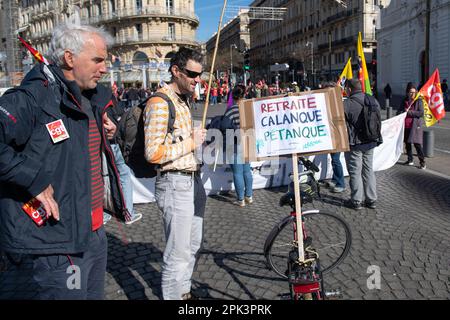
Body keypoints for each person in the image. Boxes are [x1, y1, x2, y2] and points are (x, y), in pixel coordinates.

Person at [0, 24, 129, 299]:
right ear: (70, 59)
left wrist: (111, 130)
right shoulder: (34, 97)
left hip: (94, 232)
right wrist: (32, 179)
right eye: (98, 60)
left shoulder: (91, 99)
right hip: (58, 242)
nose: (105, 68)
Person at [144, 47, 207, 300]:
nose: (197, 80)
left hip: (192, 180)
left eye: (200, 75)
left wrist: (196, 142)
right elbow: (153, 153)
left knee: (192, 246)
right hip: (174, 182)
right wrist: (191, 143)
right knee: (177, 252)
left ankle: (184, 293)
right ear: (176, 71)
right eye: (192, 74)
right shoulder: (160, 102)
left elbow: (177, 141)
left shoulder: (183, 100)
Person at [343, 79, 381, 210]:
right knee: (368, 169)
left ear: (349, 89)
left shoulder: (347, 103)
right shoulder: (372, 100)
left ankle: (356, 201)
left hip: (355, 143)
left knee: (355, 171)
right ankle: (371, 200)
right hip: (371, 141)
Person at [104, 99, 143, 225]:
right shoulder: (104, 96)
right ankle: (128, 214)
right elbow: (120, 114)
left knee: (101, 176)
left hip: (100, 143)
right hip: (113, 143)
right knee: (123, 175)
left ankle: (102, 213)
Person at [223, 84, 254, 207]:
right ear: (244, 95)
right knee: (247, 171)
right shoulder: (247, 109)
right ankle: (249, 196)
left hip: (234, 144)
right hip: (248, 142)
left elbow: (224, 127)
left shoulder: (230, 110)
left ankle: (240, 199)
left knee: (237, 172)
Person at [401, 86, 426, 169]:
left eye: (413, 92)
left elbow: (421, 113)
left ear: (416, 93)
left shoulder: (418, 101)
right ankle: (410, 160)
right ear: (408, 93)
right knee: (407, 143)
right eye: (410, 92)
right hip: (406, 125)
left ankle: (422, 162)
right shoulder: (405, 101)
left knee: (417, 144)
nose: (411, 94)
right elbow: (400, 111)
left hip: (415, 126)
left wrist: (410, 112)